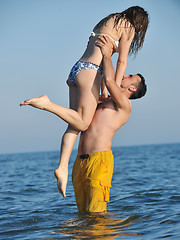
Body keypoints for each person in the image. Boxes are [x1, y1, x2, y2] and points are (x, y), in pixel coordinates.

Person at [20, 6, 149, 197]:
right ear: (139, 23)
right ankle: (47, 104)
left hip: (77, 68)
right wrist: (111, 87)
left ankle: (62, 168)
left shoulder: (107, 21)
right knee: (83, 122)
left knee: (74, 123)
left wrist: (104, 88)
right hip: (91, 71)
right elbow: (121, 61)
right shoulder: (127, 26)